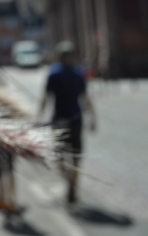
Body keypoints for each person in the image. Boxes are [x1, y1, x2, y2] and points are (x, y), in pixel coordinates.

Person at [38, 40, 96, 204]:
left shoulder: (54, 74)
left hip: (59, 121)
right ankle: (73, 185)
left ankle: (69, 181)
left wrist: (39, 117)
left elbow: (46, 98)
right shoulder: (78, 73)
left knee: (59, 156)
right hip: (76, 120)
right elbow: (86, 98)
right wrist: (93, 117)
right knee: (76, 155)